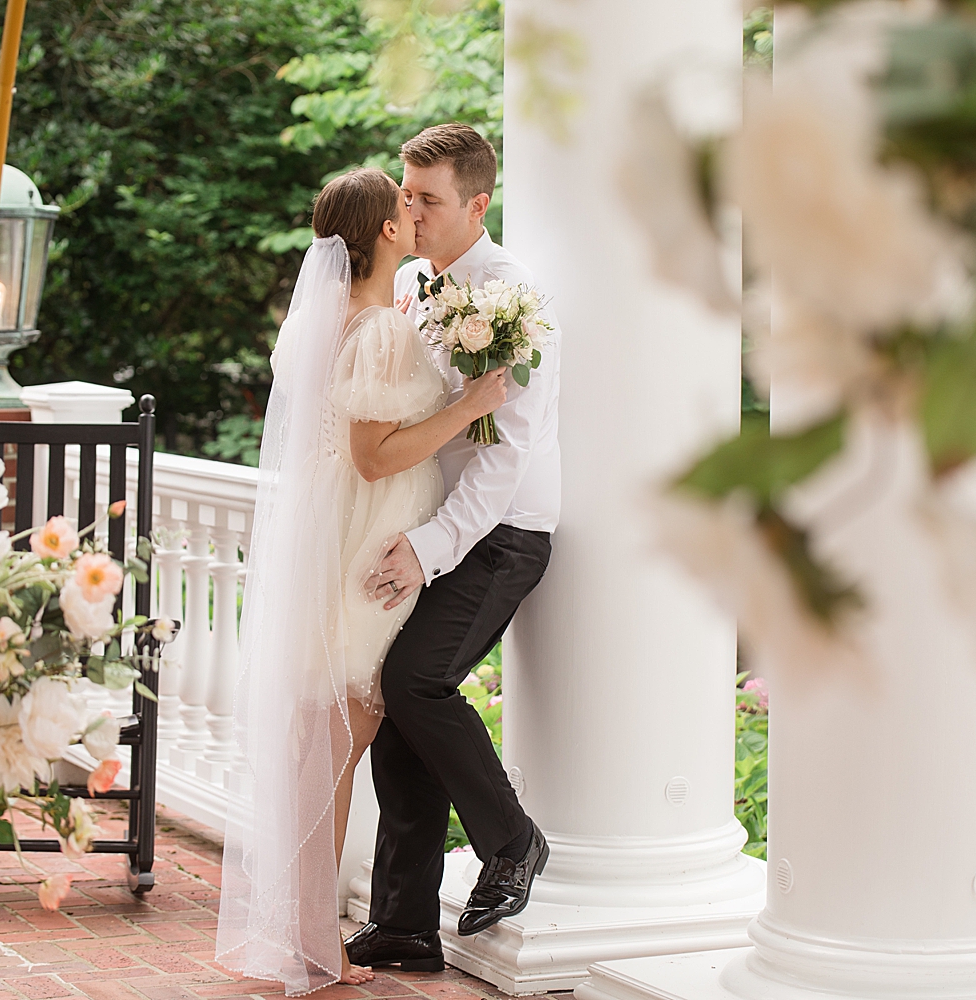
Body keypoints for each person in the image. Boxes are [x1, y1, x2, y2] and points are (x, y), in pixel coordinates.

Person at [215, 166, 510, 995]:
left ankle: (303, 932)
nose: (415, 214)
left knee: (322, 742)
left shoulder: (335, 315)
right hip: (365, 544)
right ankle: (312, 944)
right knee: (335, 745)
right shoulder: (376, 327)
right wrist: (468, 403)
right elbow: (373, 453)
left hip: (332, 528)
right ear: (385, 230)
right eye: (405, 206)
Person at [346, 124, 561, 972]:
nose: (411, 211)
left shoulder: (515, 297)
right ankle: (403, 923)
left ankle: (512, 841)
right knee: (399, 708)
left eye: (428, 199)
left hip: (504, 535)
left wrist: (428, 547)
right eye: (407, 195)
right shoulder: (416, 286)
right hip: (438, 528)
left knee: (414, 682)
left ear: (478, 204)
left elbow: (507, 454)